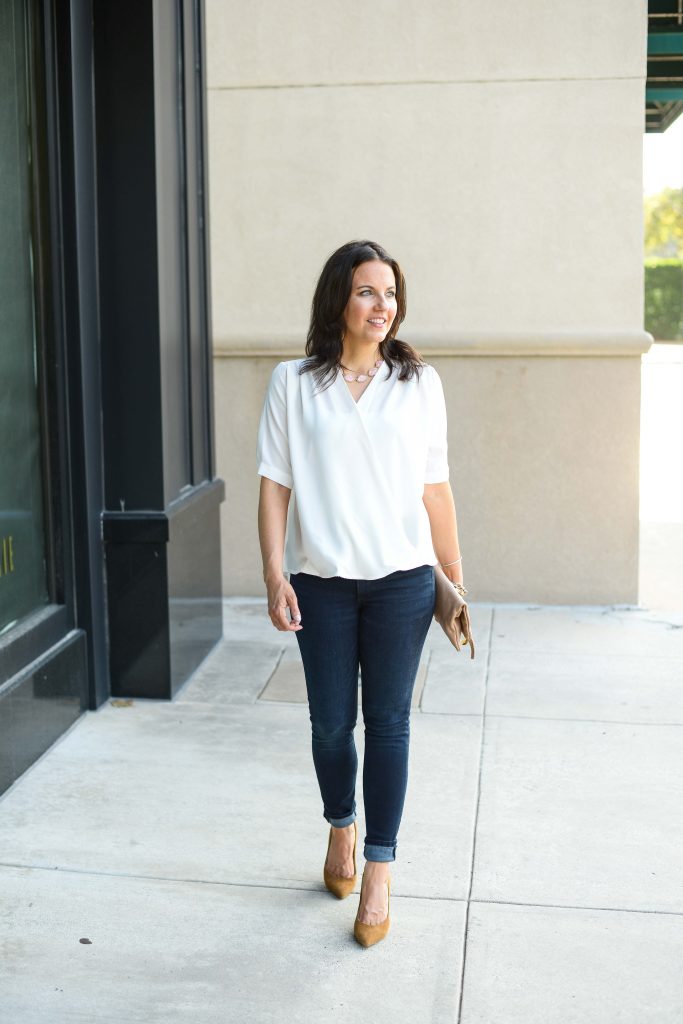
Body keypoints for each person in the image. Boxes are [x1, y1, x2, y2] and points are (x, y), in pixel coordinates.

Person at [256, 239, 465, 948]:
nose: (384, 306)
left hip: (402, 583)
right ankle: (339, 826)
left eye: (391, 293)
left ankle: (377, 872)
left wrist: (454, 581)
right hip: (320, 583)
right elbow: (273, 484)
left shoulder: (417, 382)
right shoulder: (293, 382)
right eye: (368, 292)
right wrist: (273, 574)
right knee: (328, 725)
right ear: (338, 300)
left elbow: (435, 489)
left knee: (390, 723)